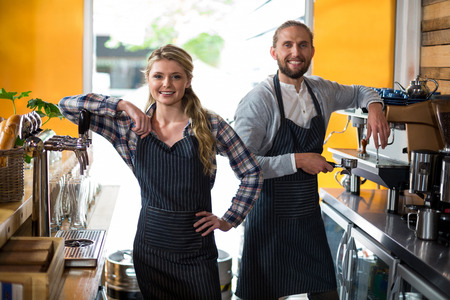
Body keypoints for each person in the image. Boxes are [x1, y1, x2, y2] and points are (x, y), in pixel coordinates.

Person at [59, 44, 263, 299]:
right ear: (148, 78)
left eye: (176, 76)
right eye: (158, 76)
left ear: (188, 80)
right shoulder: (129, 127)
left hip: (197, 252)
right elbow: (66, 106)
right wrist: (123, 105)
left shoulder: (210, 125)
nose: (166, 84)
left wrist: (228, 219)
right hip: (150, 253)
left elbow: (252, 172)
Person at [234, 20, 390, 300]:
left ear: (312, 51)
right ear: (274, 53)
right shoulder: (258, 100)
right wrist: (298, 160)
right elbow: (243, 166)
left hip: (306, 214)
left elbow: (360, 91)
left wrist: (375, 107)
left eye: (302, 45)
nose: (296, 52)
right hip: (269, 217)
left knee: (326, 294)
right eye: (288, 45)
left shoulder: (321, 90)